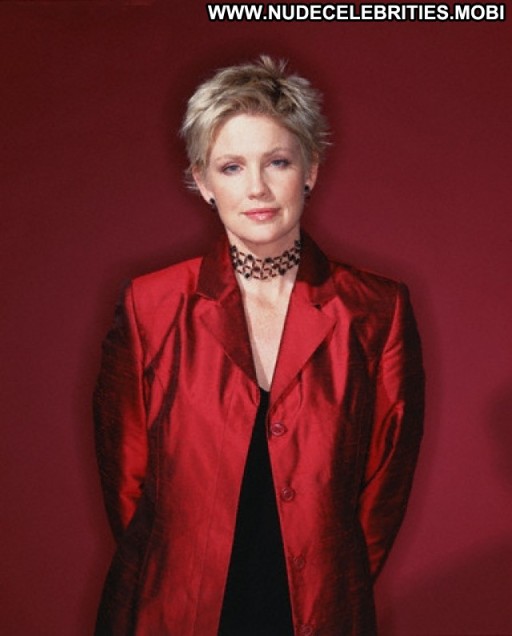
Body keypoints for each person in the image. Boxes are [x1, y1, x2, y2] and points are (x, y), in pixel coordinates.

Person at [93, 56, 425, 636]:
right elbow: (127, 486)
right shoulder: (150, 305)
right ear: (203, 181)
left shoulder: (377, 310)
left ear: (310, 168)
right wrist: (181, 577)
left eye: (277, 162)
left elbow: (383, 491)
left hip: (320, 612)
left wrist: (329, 582)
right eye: (231, 166)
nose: (257, 189)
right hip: (173, 610)